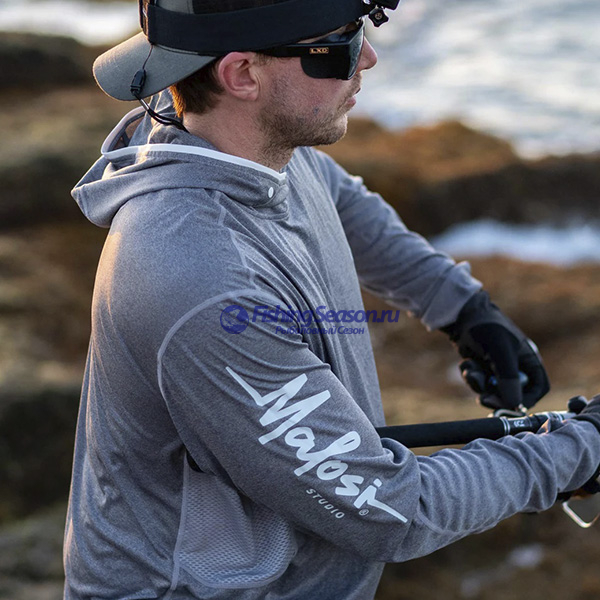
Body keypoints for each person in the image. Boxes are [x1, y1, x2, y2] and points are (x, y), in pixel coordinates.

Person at [63, 0, 600, 598]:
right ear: (241, 74)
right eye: (340, 45)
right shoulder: (205, 286)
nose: (368, 57)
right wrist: (580, 450)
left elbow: (340, 199)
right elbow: (390, 511)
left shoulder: (237, 147)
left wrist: (463, 308)